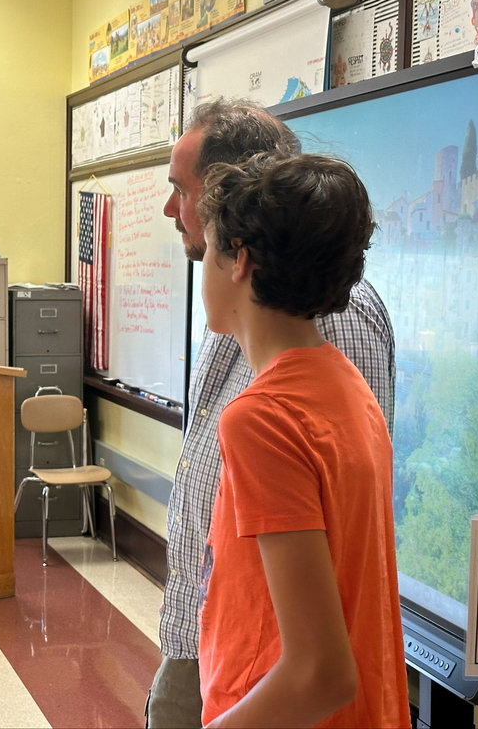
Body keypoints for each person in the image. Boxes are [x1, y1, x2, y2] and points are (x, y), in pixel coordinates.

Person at [149, 98, 395, 728]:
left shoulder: (273, 408)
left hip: (271, 695)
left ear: (242, 257)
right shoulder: (330, 382)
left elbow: (319, 668)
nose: (175, 214)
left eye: (186, 194)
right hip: (228, 649)